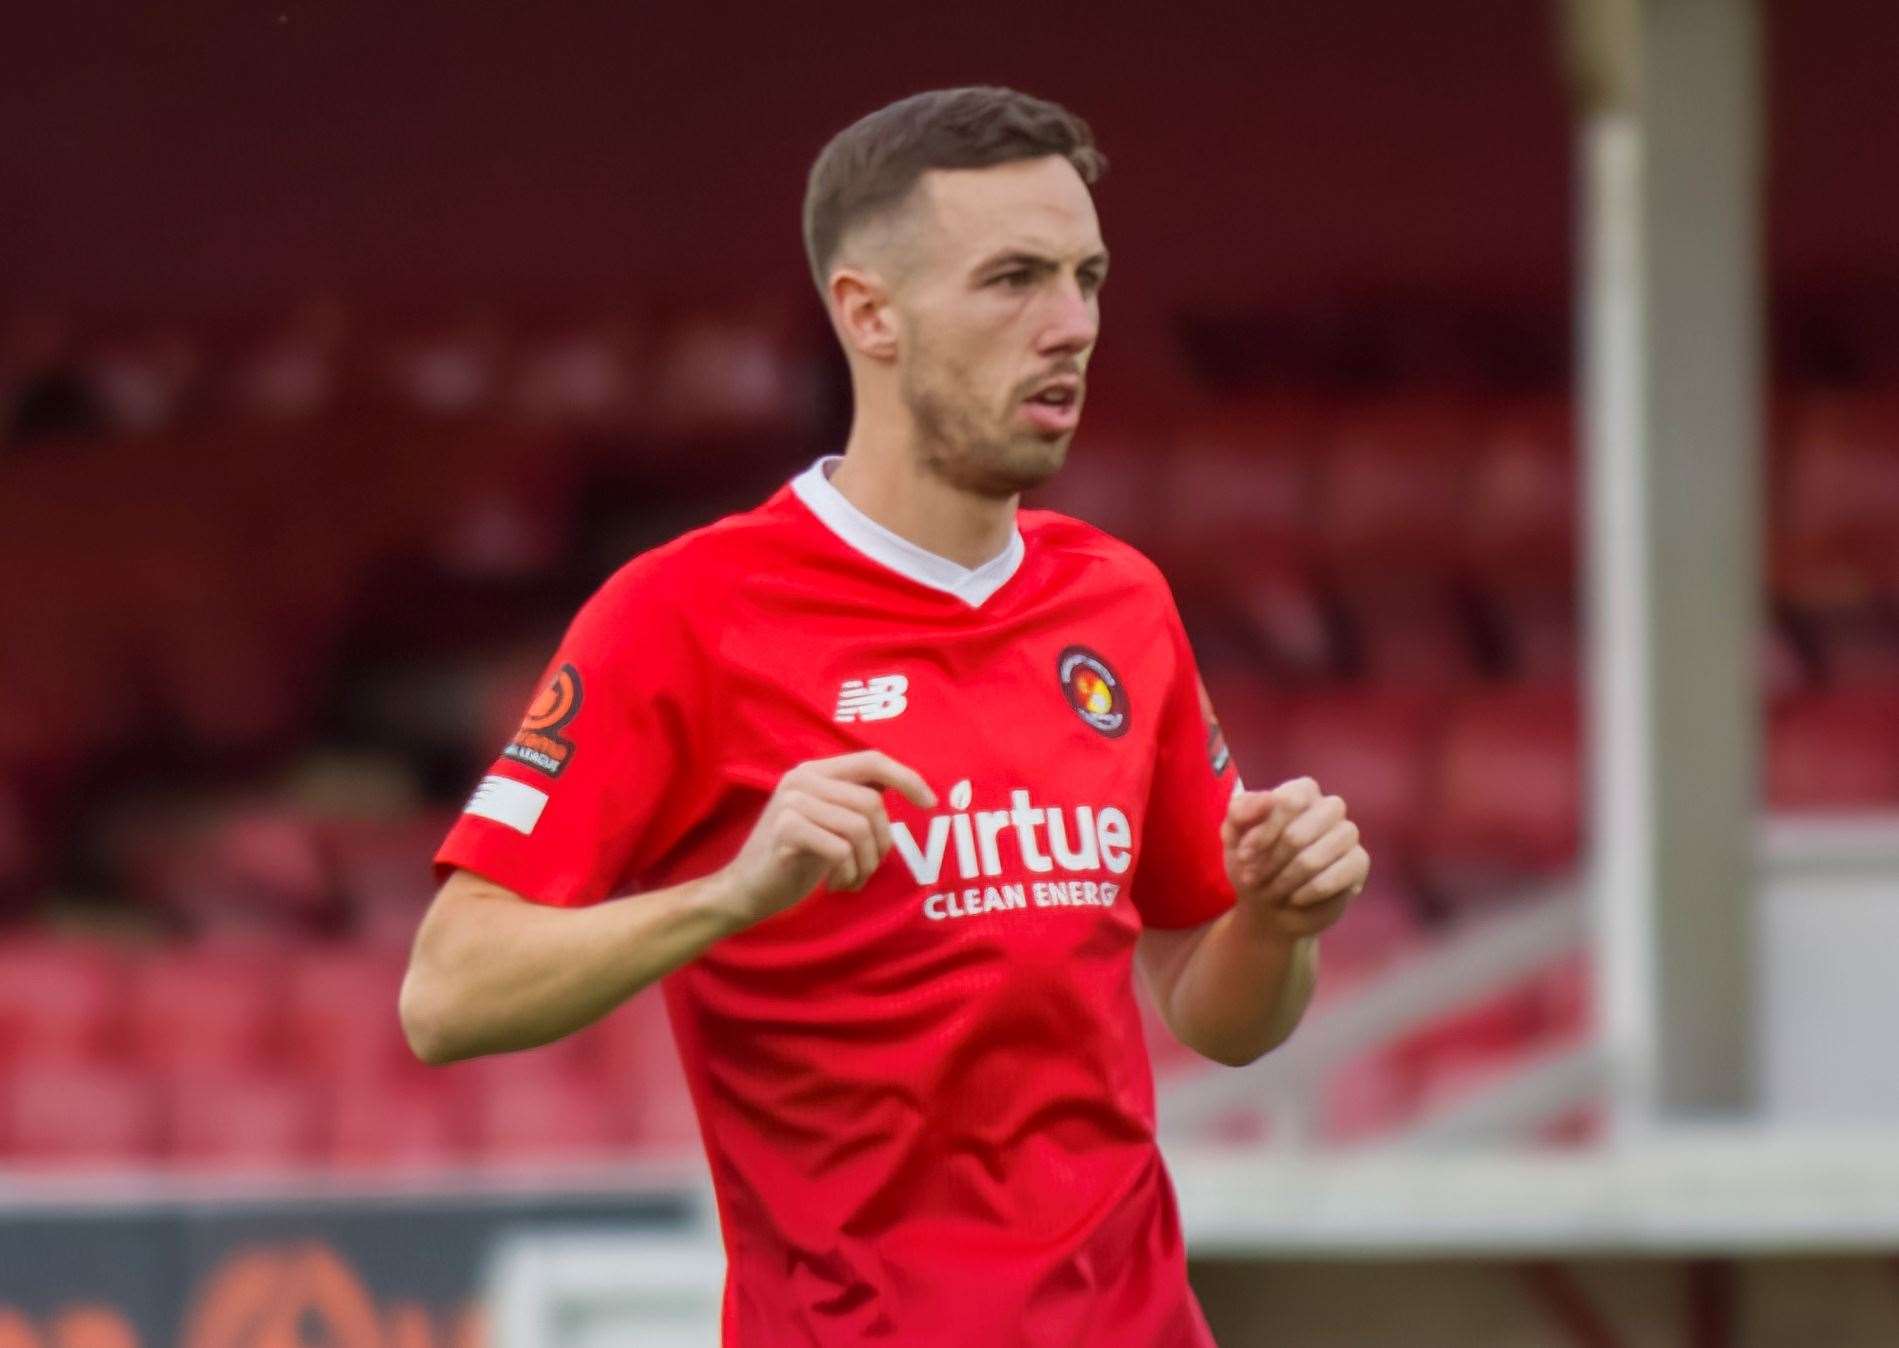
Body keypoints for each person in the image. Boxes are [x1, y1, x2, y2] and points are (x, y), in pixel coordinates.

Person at [401, 85, 1370, 1347]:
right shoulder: (684, 614)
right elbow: (446, 993)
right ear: (870, 314)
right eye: (1013, 279)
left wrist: (1280, 923)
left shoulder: (1120, 600)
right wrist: (730, 896)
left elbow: (1215, 1006)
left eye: (1088, 275)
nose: (1070, 325)